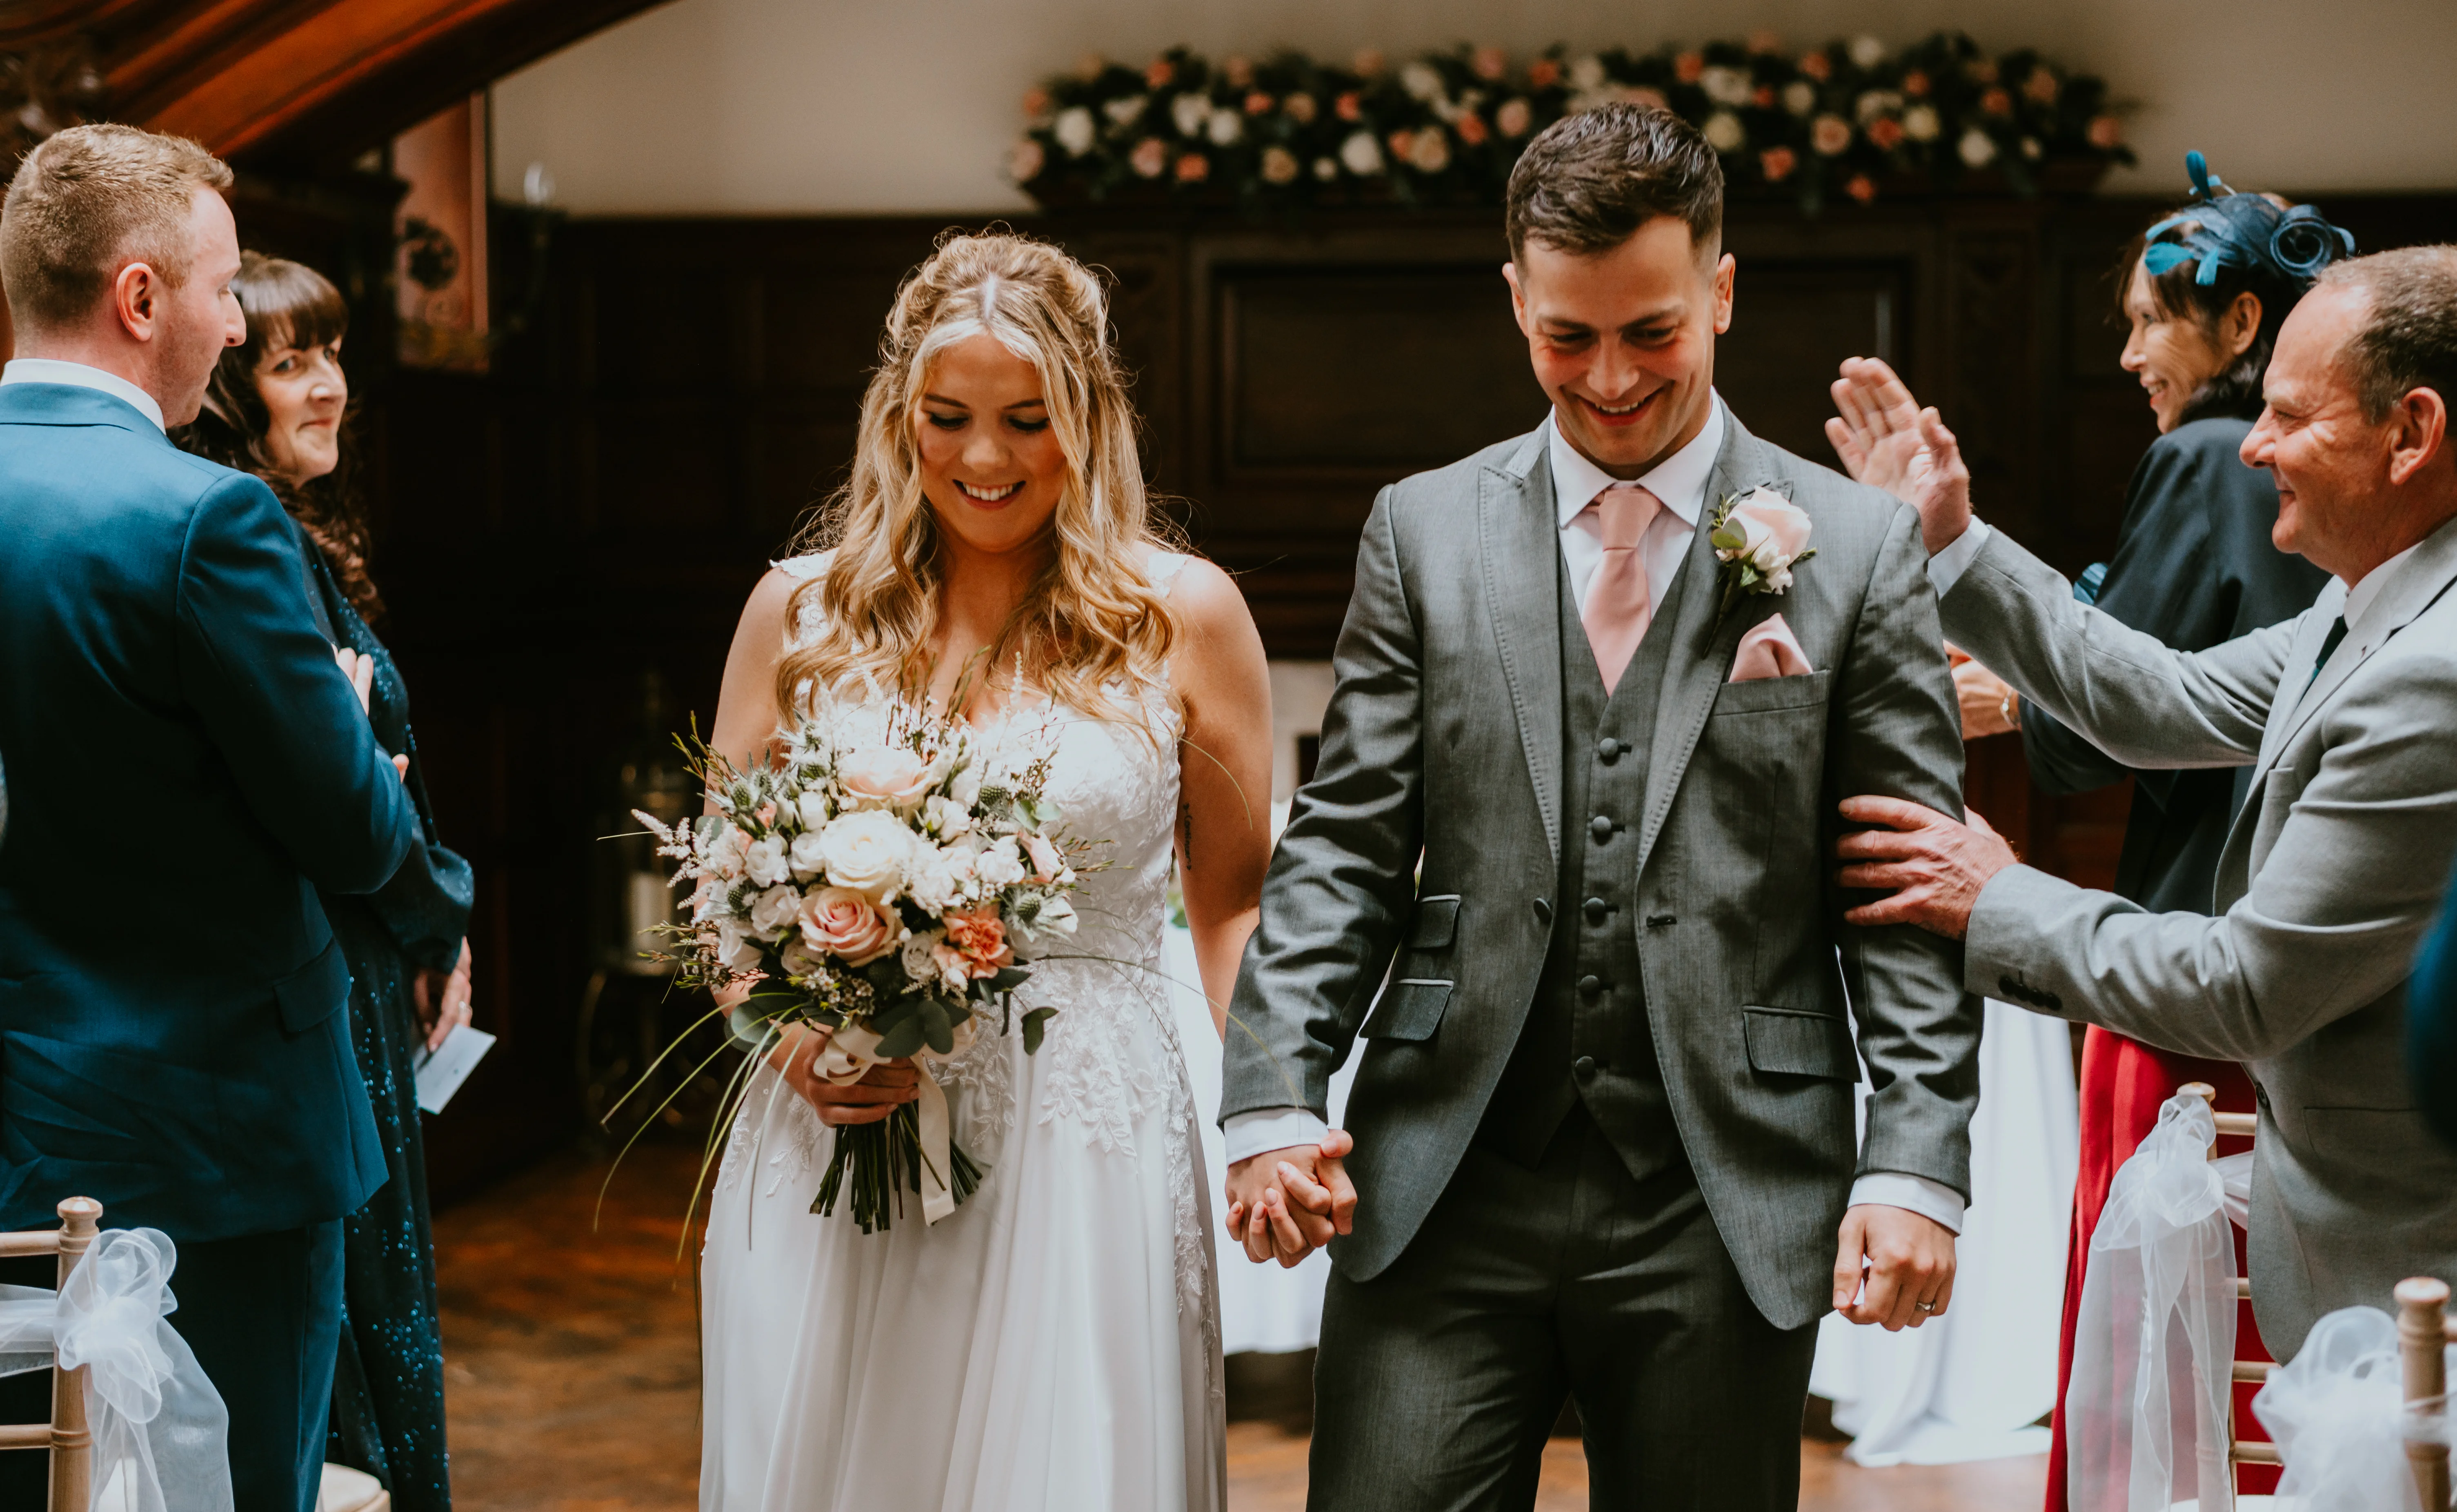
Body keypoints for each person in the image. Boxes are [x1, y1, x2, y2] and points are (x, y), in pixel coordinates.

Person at [1217, 104, 1979, 1511]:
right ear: (1517, 300)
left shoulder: (1859, 548)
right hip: (1445, 1174)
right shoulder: (1423, 531)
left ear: (1722, 293)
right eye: (1569, 336)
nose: (1614, 379)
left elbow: (1905, 889)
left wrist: (1916, 1165)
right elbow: (1344, 848)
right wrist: (1273, 1096)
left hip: (1725, 1184)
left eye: (1653, 332)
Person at [694, 231, 1275, 1512]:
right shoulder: (802, 614)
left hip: (1086, 1141)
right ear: (897, 417)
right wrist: (790, 1044)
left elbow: (1235, 906)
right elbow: (722, 897)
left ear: (1091, 419)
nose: (986, 458)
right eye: (948, 418)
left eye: (1029, 419)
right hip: (844, 1120)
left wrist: (1273, 1114)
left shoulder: (1185, 616)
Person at [1831, 244, 2457, 1361]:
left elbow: (2249, 989)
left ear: (2412, 433)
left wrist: (1994, 896)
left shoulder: (2434, 676)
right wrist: (1952, 543)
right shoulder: (2366, 602)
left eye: (2289, 417)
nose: (2251, 446)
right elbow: (2164, 699)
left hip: (2413, 1265)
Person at [1828, 153, 2344, 1505]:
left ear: (2242, 322)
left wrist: (1999, 708)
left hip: (2191, 940)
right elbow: (2184, 691)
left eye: (2150, 320)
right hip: (2284, 969)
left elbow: (2136, 708)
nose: (2127, 356)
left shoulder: (2204, 456)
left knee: (2158, 1332)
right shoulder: (2331, 549)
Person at [0, 124, 415, 1512]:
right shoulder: (206, 521)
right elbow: (356, 838)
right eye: (225, 290)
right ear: (139, 298)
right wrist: (350, 731)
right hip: (211, 1148)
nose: (236, 327)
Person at [176, 251, 473, 1512]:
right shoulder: (242, 543)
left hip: (372, 957)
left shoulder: (300, 538)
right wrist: (430, 912)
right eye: (293, 363)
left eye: (334, 354)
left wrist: (439, 931)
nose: (332, 386)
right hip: (323, 973)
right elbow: (331, 793)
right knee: (349, 1306)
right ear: (230, 386)